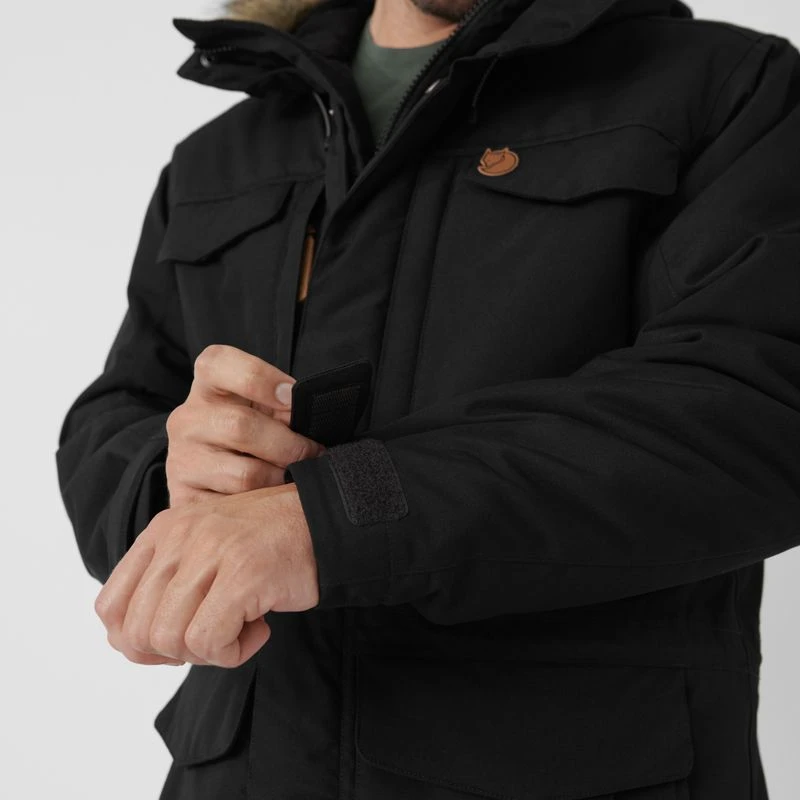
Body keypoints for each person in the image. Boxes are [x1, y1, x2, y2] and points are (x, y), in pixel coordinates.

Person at [54, 0, 800, 798]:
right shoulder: (221, 156)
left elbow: (754, 408)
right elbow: (118, 411)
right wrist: (176, 477)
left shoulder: (728, 91)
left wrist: (336, 516)